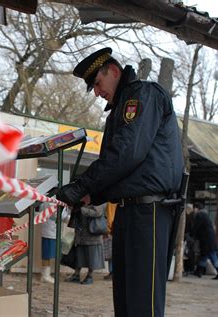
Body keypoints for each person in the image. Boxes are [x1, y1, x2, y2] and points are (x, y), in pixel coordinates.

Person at [56, 47, 184, 316]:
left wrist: (82, 186)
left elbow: (127, 153)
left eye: (98, 83)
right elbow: (124, 168)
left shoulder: (143, 96)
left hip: (148, 211)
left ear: (113, 71)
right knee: (125, 301)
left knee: (142, 303)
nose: (96, 92)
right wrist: (92, 195)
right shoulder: (122, 107)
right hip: (129, 210)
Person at [65, 204, 105, 285]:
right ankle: (76, 275)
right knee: (79, 254)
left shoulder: (99, 198)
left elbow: (97, 212)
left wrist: (81, 209)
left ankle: (89, 276)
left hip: (93, 232)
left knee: (92, 256)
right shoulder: (83, 197)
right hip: (81, 231)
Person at [191, 202, 218, 279]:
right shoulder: (205, 215)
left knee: (212, 255)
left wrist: (192, 234)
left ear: (196, 208)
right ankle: (199, 272)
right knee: (204, 255)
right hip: (208, 239)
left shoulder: (200, 215)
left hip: (206, 240)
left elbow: (196, 226)